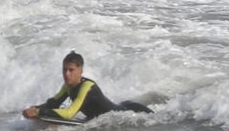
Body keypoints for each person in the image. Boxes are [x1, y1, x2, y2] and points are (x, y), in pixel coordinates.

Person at [22, 51, 152, 122]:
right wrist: (35, 108)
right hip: (121, 106)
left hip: (130, 111)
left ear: (80, 71)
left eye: (71, 70)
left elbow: (69, 113)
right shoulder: (68, 86)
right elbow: (54, 103)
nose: (67, 74)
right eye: (64, 70)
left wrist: (39, 112)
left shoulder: (87, 87)